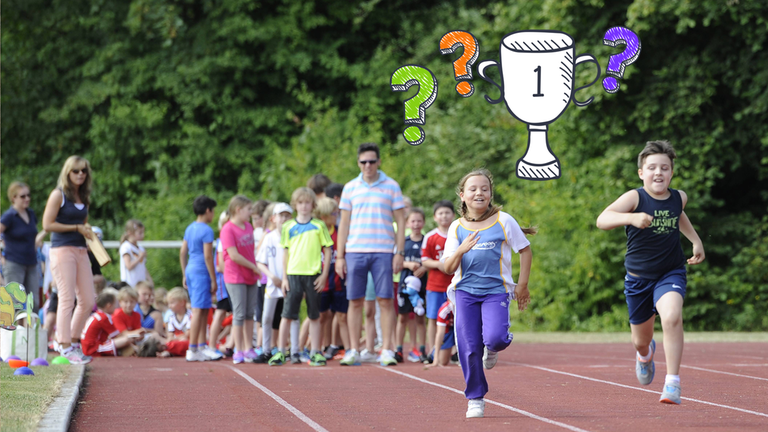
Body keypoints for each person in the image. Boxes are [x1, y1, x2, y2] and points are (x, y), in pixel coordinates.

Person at [596, 140, 705, 405]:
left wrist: (695, 240)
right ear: (641, 173)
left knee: (672, 317)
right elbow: (602, 220)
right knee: (640, 341)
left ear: (671, 173)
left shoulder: (679, 197)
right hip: (638, 280)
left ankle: (672, 383)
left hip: (670, 272)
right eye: (652, 167)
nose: (659, 172)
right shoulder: (635, 198)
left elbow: (678, 214)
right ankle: (645, 355)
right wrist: (631, 217)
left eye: (664, 168)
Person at [442, 169, 534, 419]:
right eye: (472, 189)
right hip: (465, 293)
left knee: (495, 339)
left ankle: (492, 348)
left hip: (496, 291)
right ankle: (475, 398)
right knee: (469, 347)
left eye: (484, 189)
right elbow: (448, 267)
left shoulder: (504, 221)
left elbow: (525, 250)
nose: (479, 193)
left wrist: (522, 285)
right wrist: (460, 250)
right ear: (462, 195)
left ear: (491, 194)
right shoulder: (456, 227)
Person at [336, 143, 405, 367]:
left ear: (379, 162)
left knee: (385, 300)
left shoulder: (392, 186)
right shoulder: (350, 188)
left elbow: (401, 221)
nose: (368, 165)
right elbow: (344, 223)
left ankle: (387, 349)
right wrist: (340, 255)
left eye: (372, 161)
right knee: (355, 301)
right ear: (358, 163)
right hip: (355, 251)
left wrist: (399, 252)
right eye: (364, 162)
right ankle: (353, 350)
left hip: (384, 251)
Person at [268, 188, 333, 367]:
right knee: (287, 315)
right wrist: (285, 278)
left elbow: (328, 249)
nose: (304, 206)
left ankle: (315, 352)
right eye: (300, 203)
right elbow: (285, 253)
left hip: (313, 275)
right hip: (293, 275)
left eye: (307, 202)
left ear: (313, 205)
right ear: (295, 205)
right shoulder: (288, 227)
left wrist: (324, 274)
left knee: (314, 315)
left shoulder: (319, 225)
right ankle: (281, 352)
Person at [42, 155, 97, 364]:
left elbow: (84, 223)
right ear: (67, 172)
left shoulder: (84, 196)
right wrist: (76, 228)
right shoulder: (58, 194)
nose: (80, 174)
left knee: (88, 300)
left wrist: (88, 233)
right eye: (76, 170)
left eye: (84, 170)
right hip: (62, 249)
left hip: (81, 249)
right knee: (67, 297)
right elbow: (47, 225)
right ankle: (64, 344)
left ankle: (73, 341)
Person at [220, 195, 262, 364]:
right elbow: (233, 255)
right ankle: (238, 350)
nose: (250, 213)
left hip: (250, 275)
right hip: (235, 276)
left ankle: (248, 348)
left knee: (249, 313)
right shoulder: (227, 229)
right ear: (238, 210)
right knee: (239, 313)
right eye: (248, 209)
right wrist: (253, 266)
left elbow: (250, 251)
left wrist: (254, 267)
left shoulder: (248, 227)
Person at [179, 195, 220, 362]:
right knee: (197, 310)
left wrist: (184, 273)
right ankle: (192, 348)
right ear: (208, 210)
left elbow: (183, 252)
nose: (213, 214)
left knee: (203, 309)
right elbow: (208, 256)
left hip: (191, 269)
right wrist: (213, 279)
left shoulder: (190, 228)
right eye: (213, 211)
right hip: (201, 271)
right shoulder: (207, 230)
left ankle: (201, 346)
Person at [256, 203, 295, 361]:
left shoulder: (295, 236)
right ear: (274, 218)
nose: (284, 219)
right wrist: (272, 277)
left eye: (287, 216)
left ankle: (293, 350)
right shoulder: (269, 237)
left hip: (290, 283)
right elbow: (260, 262)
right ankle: (266, 350)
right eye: (281, 216)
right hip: (273, 284)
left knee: (291, 317)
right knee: (267, 317)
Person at [422, 200, 455, 360]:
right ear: (435, 217)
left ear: (453, 215)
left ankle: (454, 350)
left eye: (447, 212)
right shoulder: (430, 237)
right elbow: (424, 260)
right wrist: (439, 264)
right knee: (433, 317)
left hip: (454, 286)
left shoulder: (458, 234)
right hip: (435, 286)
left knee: (456, 318)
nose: (444, 216)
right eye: (440, 213)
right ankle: (433, 350)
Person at [1, 181, 40, 309]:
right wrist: (1, 257)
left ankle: (31, 323)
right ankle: (14, 323)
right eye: (23, 196)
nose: (27, 199)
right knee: (15, 302)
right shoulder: (9, 216)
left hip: (31, 262)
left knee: (33, 302)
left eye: (28, 195)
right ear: (14, 198)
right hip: (14, 263)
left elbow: (34, 235)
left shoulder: (31, 213)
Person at [396, 207, 428, 363]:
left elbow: (433, 260)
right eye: (413, 221)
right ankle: (398, 350)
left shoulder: (426, 241)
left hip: (422, 287)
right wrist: (407, 264)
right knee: (402, 318)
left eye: (419, 221)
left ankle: (422, 349)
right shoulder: (403, 242)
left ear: (424, 223)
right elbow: (395, 262)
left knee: (420, 318)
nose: (416, 224)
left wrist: (424, 267)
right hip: (404, 287)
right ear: (408, 223)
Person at [81, 289, 144, 357]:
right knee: (127, 339)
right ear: (109, 306)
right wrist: (133, 344)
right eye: (116, 304)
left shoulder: (98, 315)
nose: (117, 307)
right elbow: (118, 336)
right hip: (93, 348)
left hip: (88, 346)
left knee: (125, 340)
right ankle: (135, 351)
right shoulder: (104, 318)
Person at [208, 210, 232, 358]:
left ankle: (232, 345)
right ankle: (211, 345)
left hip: (233, 280)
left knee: (237, 314)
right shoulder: (222, 240)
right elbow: (220, 266)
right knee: (221, 312)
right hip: (225, 282)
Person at [119, 219, 153, 287]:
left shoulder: (140, 248)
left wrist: (150, 280)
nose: (143, 235)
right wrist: (140, 257)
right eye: (140, 233)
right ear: (130, 233)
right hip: (129, 285)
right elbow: (129, 266)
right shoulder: (126, 246)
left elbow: (142, 267)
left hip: (140, 285)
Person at [426, 300, 455, 368]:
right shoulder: (444, 310)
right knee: (442, 361)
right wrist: (436, 359)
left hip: (461, 329)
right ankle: (434, 353)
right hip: (450, 330)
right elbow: (440, 333)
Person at [164, 287, 192, 355]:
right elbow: (170, 335)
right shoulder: (171, 317)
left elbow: (187, 335)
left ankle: (172, 352)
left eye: (172, 303)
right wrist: (174, 339)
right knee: (168, 343)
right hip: (176, 341)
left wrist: (175, 339)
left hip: (187, 342)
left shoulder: (190, 316)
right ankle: (172, 351)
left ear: (182, 303)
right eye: (168, 303)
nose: (169, 306)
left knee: (185, 341)